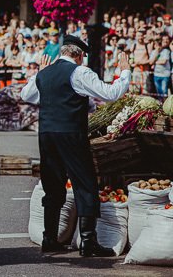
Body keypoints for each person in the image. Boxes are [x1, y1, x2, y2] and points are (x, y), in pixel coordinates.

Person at [21, 35, 131, 257]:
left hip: (46, 134)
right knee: (85, 182)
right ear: (80, 55)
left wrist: (38, 74)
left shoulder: (45, 72)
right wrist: (125, 72)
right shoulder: (79, 72)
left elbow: (27, 96)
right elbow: (110, 94)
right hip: (70, 133)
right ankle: (88, 242)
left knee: (52, 183)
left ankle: (49, 238)